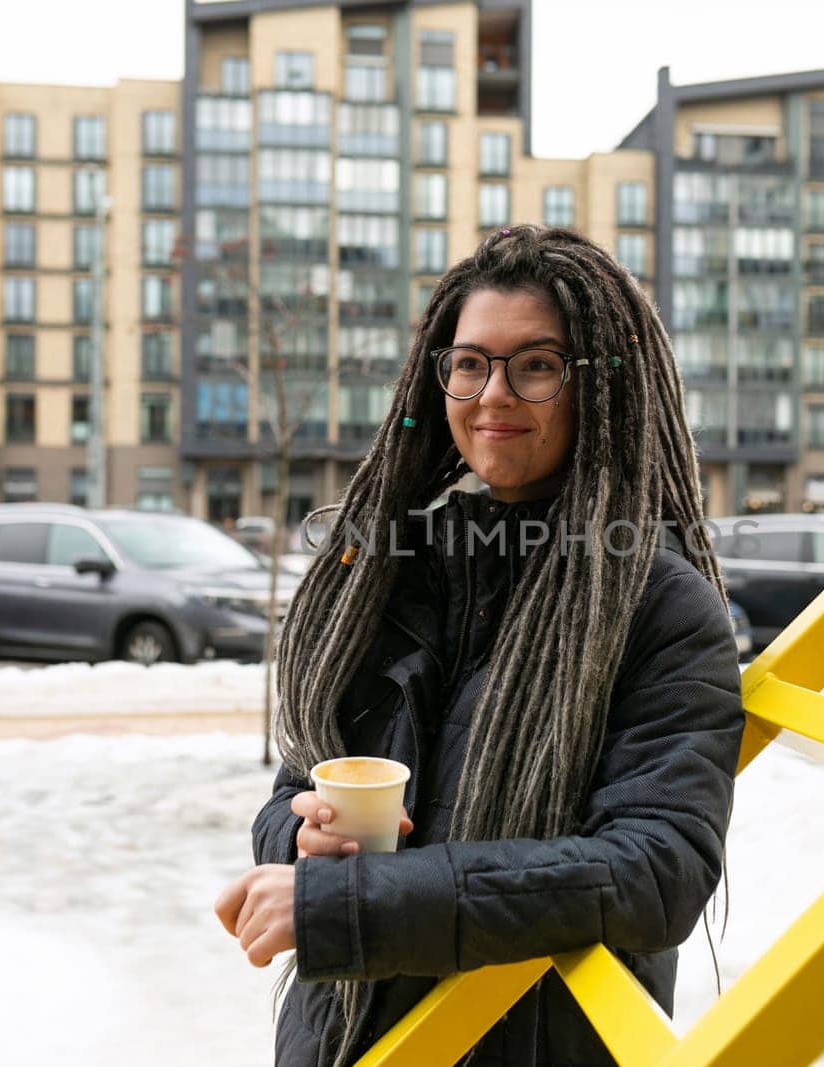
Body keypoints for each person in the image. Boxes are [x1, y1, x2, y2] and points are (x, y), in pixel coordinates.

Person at [214, 225, 744, 1067]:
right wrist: (302, 839)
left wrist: (353, 906)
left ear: (603, 388)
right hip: (348, 1041)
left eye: (536, 364)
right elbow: (290, 793)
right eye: (469, 362)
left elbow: (655, 869)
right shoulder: (387, 574)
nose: (493, 392)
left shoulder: (657, 601)